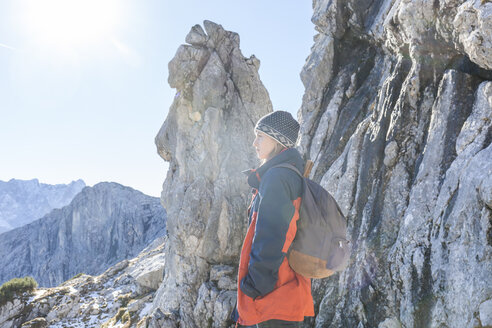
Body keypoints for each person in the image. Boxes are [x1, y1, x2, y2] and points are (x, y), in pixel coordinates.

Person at [232, 111, 314, 327]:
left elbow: (273, 236)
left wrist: (254, 287)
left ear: (277, 140)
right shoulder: (288, 173)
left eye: (260, 136)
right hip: (286, 290)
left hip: (274, 294)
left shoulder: (277, 178)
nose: (254, 142)